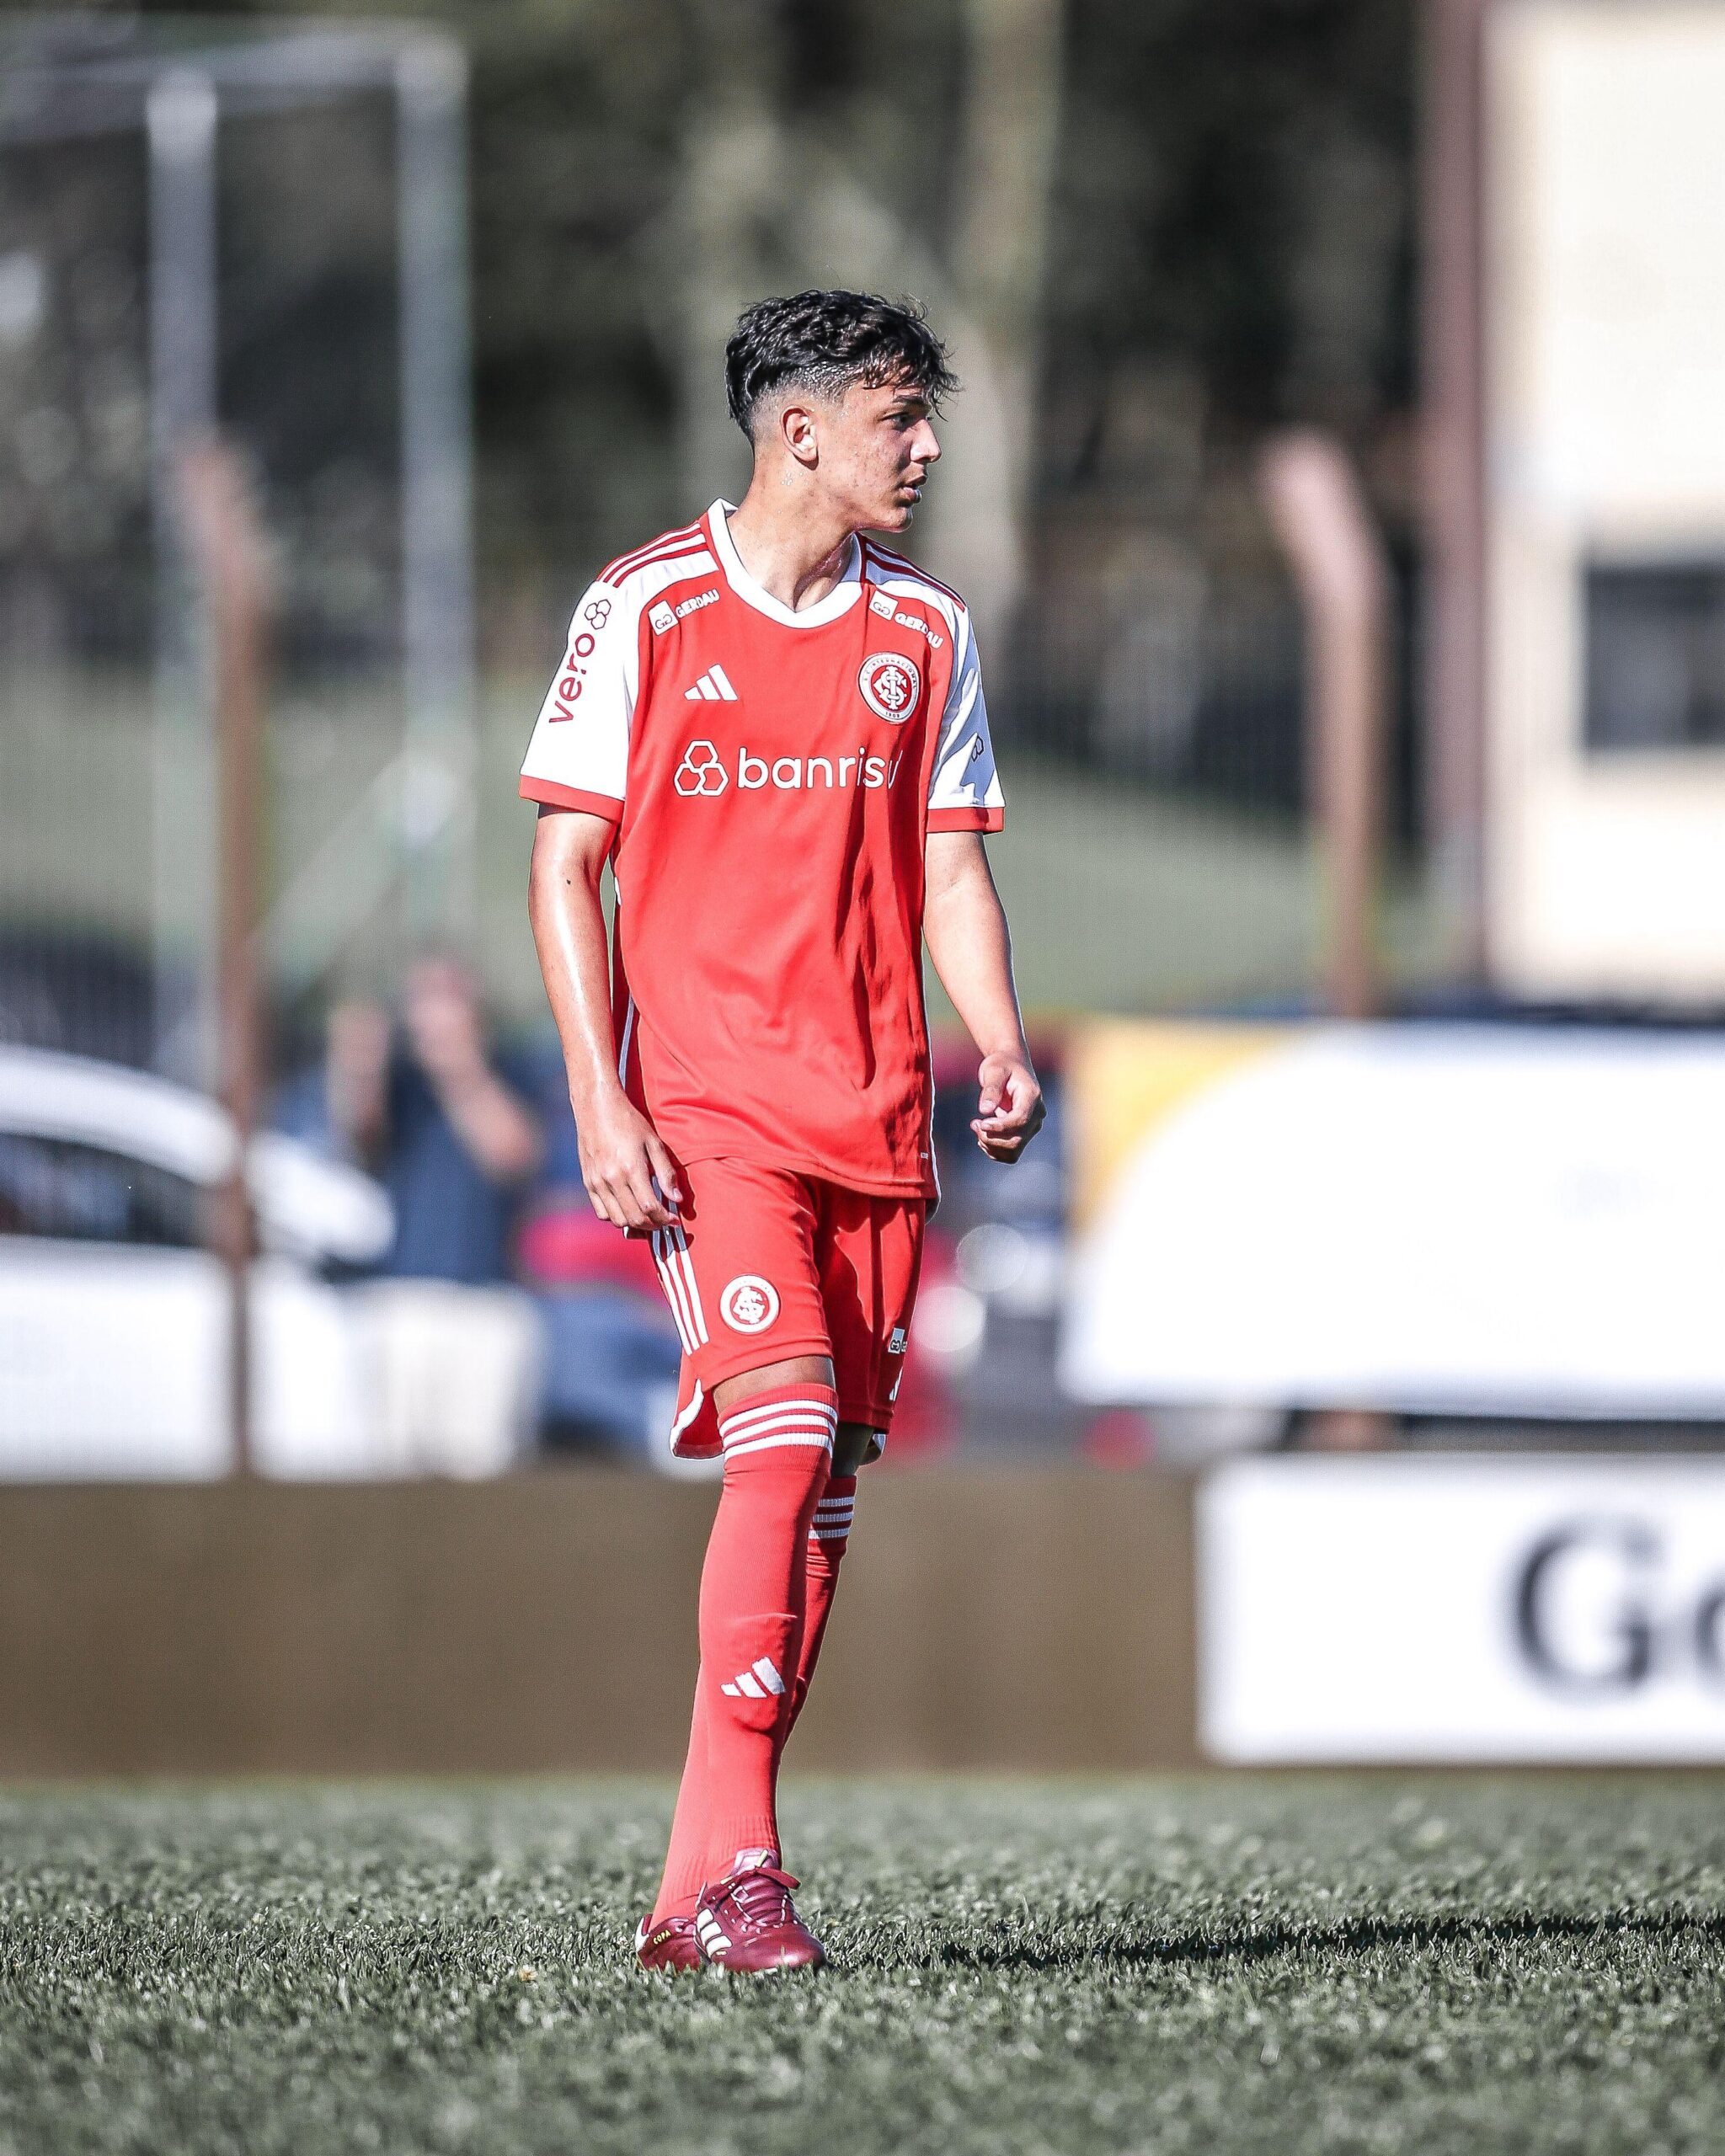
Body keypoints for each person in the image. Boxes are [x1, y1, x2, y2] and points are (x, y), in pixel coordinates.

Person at [522, 291, 1044, 1972]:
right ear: (798, 430)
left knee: (821, 1487)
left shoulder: (930, 635)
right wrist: (599, 1094)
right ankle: (748, 1872)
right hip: (704, 1108)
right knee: (782, 1425)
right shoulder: (646, 604)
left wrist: (1000, 1045)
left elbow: (954, 861)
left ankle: (694, 1883)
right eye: (900, 415)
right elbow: (563, 860)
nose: (929, 444)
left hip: (876, 1118)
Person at [279, 956, 545, 1474]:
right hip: (404, 1304)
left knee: (481, 1479)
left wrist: (459, 1070)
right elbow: (361, 1137)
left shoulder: (511, 1071)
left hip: (487, 1305)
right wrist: (358, 1063)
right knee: (393, 1478)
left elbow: (514, 1156)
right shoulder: (404, 1084)